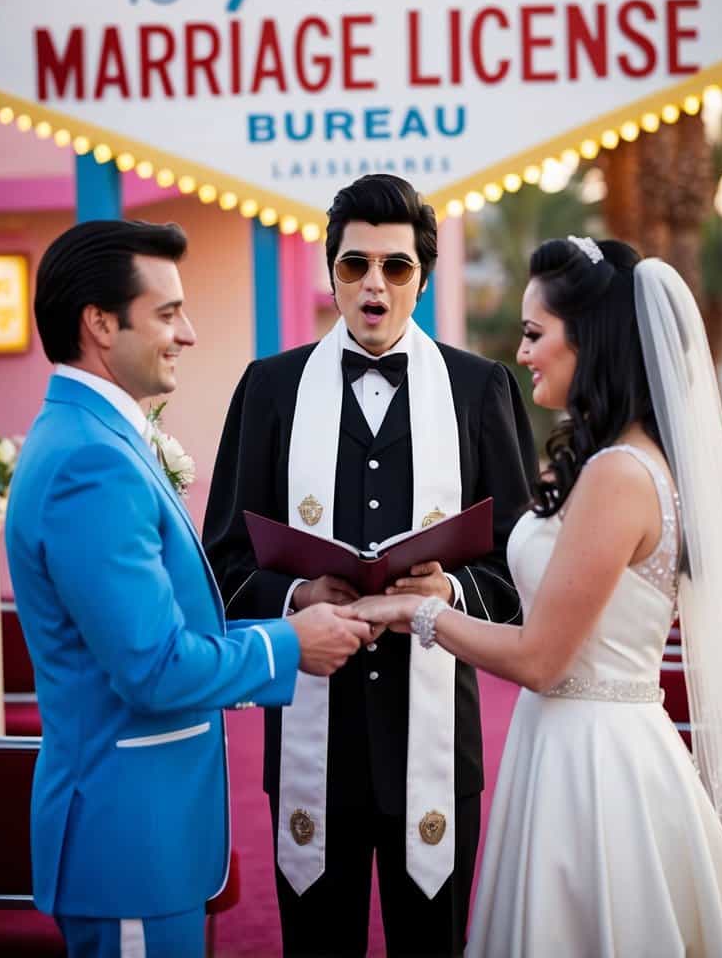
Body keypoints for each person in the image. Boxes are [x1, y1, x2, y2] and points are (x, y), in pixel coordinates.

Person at [355, 236, 722, 957]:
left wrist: (415, 611)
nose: (521, 353)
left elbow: (541, 658)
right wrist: (443, 588)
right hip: (565, 739)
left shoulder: (619, 473)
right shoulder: (618, 459)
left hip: (596, 763)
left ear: (587, 340)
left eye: (534, 334)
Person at [5, 219, 370, 958]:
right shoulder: (90, 463)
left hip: (146, 835)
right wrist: (288, 645)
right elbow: (153, 668)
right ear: (101, 325)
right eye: (168, 313)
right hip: (127, 839)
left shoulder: (97, 439)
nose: (189, 333)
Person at [203, 175, 537, 958]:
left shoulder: (478, 388)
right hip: (312, 747)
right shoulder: (269, 389)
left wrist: (449, 589)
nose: (374, 286)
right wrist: (294, 593)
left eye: (395, 266)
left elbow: (520, 567)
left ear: (422, 275)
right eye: (354, 266)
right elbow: (223, 560)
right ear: (331, 274)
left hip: (433, 747)